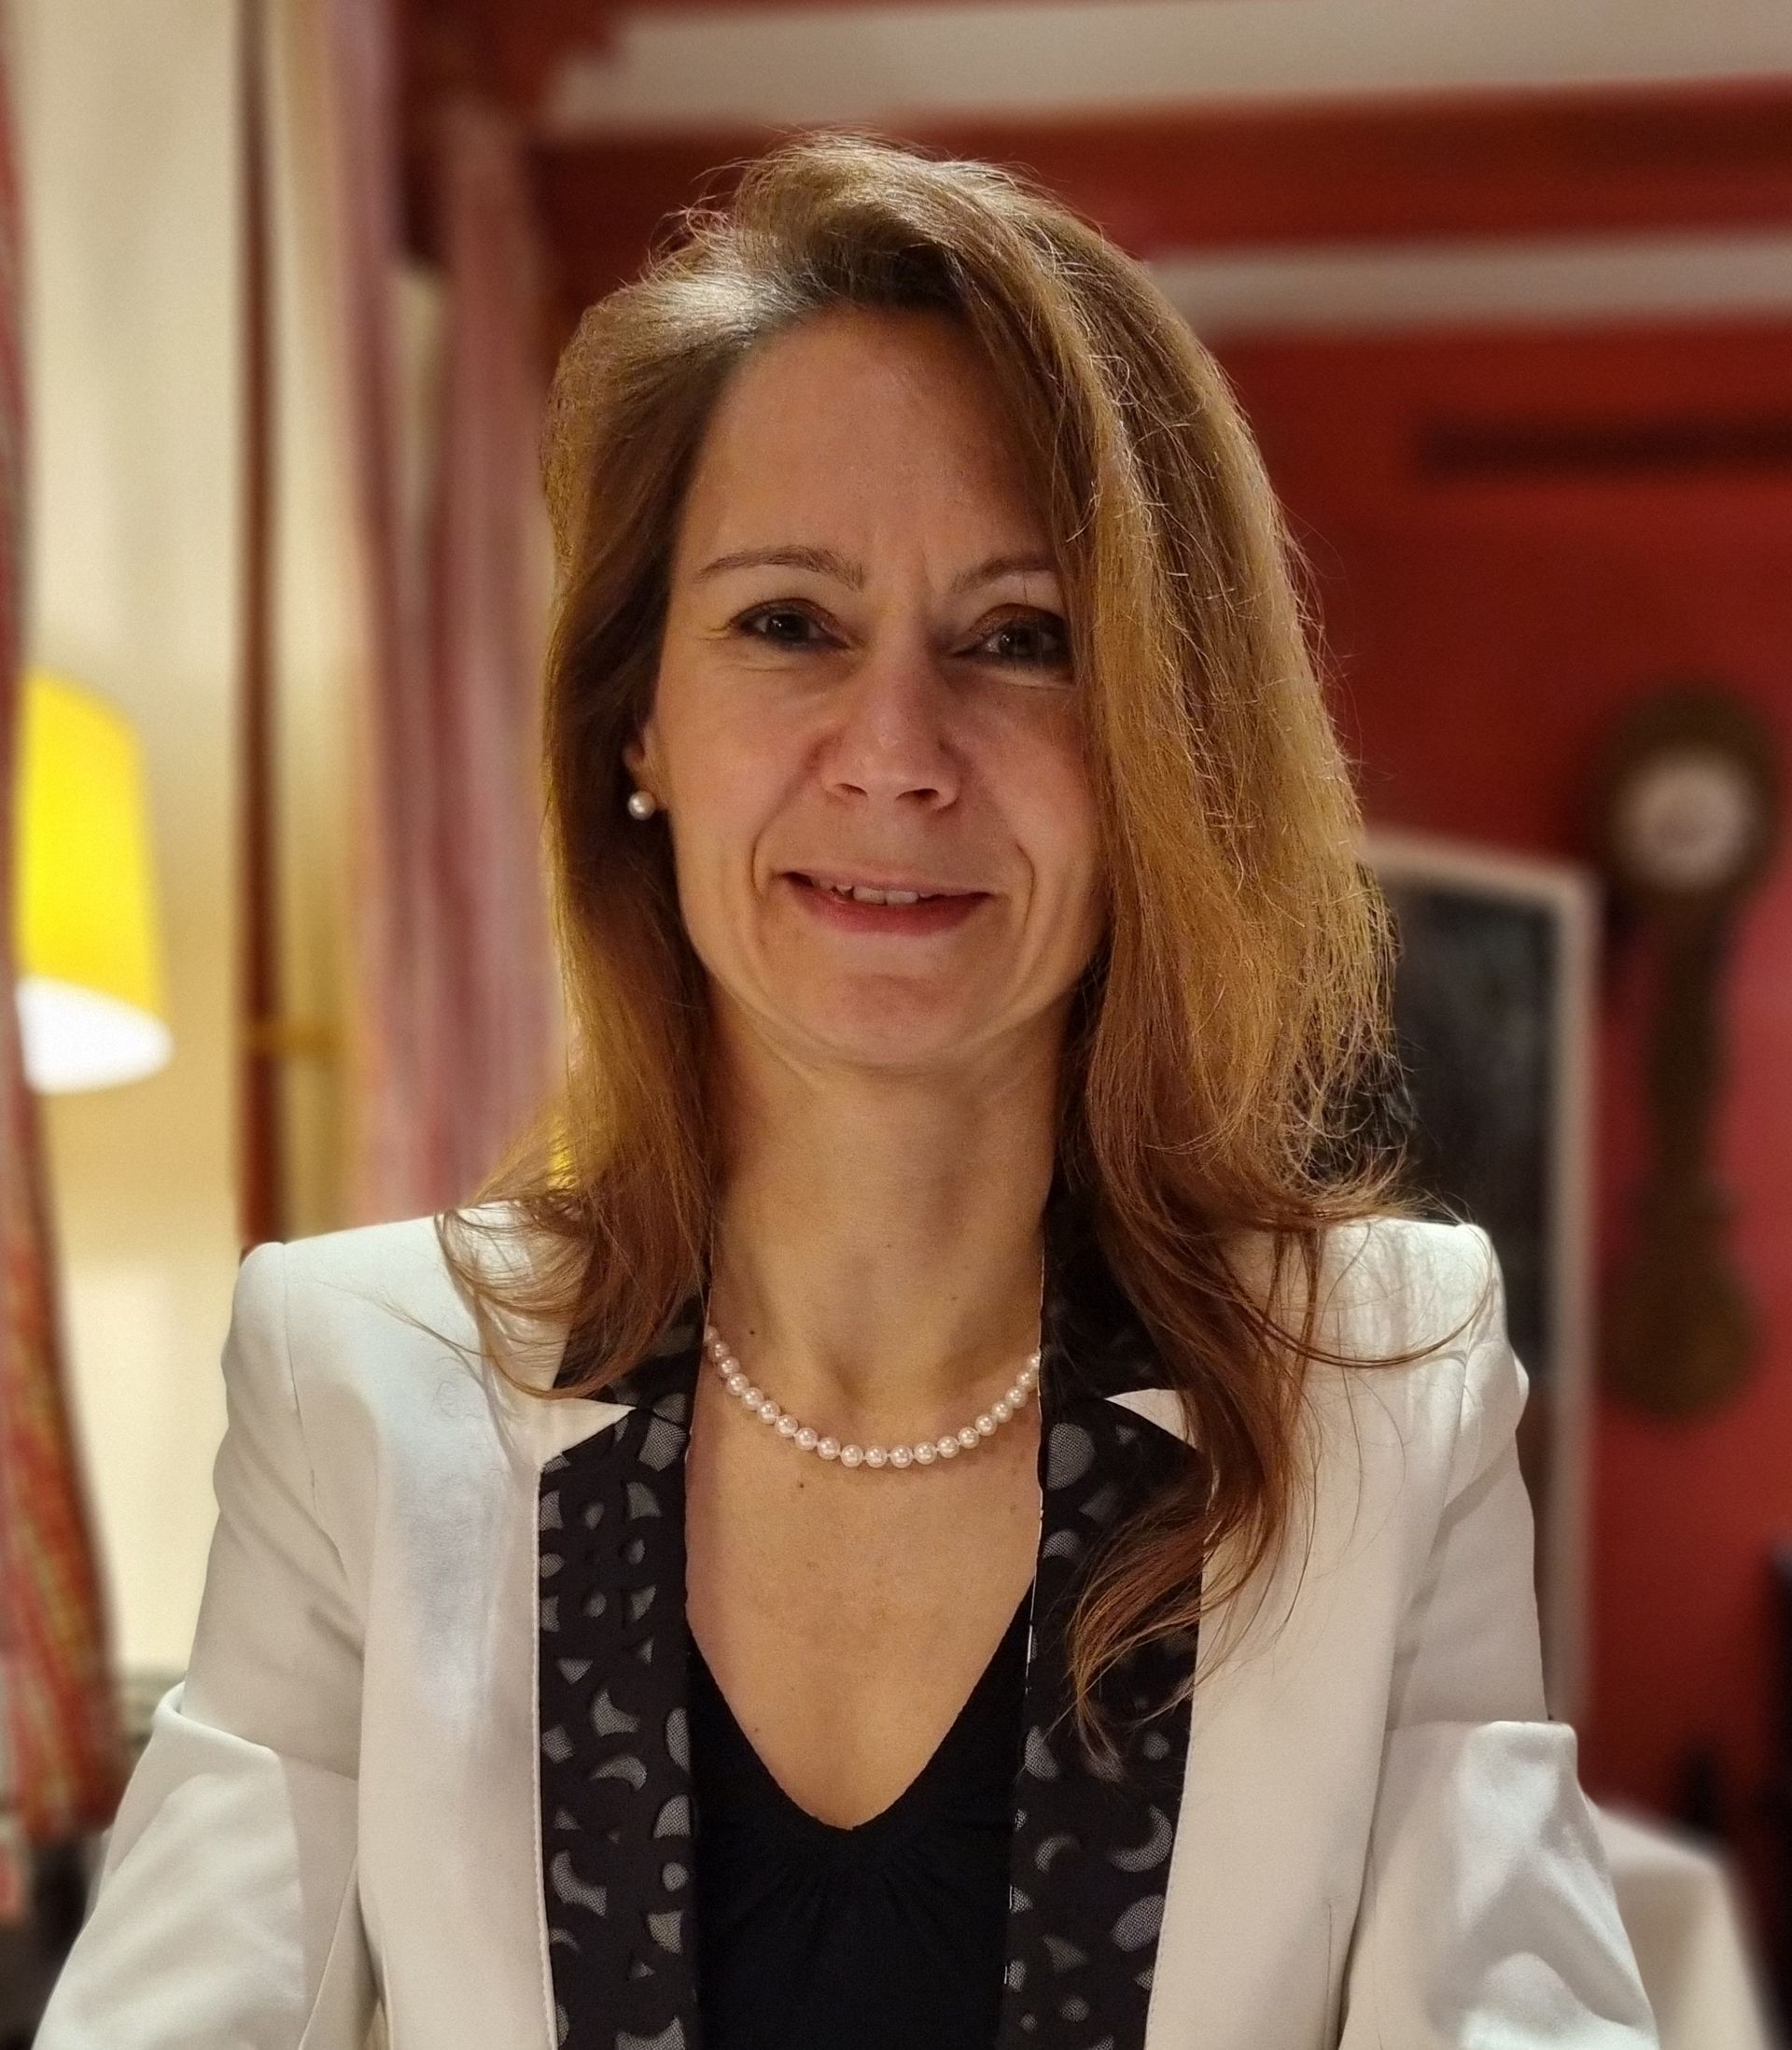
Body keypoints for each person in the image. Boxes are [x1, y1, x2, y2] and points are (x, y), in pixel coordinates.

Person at [35, 132, 1658, 2050]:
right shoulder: (356, 1382)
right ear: (639, 721)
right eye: (788, 624)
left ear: (1161, 745)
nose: (896, 751)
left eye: (1023, 641)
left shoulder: (1382, 1382)